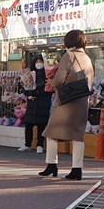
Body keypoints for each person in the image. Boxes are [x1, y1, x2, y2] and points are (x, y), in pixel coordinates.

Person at [39, 29, 94, 181]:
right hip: (81, 101)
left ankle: (52, 165)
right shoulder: (87, 58)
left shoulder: (68, 55)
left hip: (66, 101)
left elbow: (59, 79)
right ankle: (77, 169)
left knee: (51, 132)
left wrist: (52, 80)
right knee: (77, 135)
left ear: (68, 41)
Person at [19, 55, 51, 154]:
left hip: (43, 103)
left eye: (40, 61)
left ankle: (40, 145)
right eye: (37, 61)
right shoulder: (29, 74)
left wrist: (36, 92)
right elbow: (24, 86)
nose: (38, 63)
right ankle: (27, 144)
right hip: (32, 103)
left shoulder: (47, 75)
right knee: (28, 124)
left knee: (41, 124)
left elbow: (48, 89)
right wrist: (27, 91)